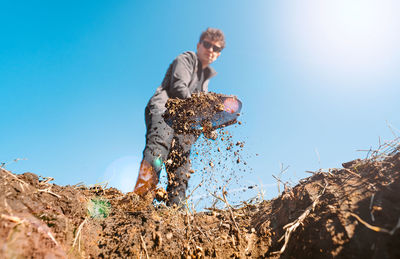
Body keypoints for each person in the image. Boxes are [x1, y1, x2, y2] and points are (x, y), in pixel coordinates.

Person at [133, 28, 225, 206]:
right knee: (158, 150)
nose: (211, 50)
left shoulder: (205, 79)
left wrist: (208, 124)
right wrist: (202, 113)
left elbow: (200, 109)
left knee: (181, 167)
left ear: (219, 54)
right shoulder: (187, 58)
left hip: (184, 124)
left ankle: (177, 212)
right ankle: (139, 203)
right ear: (199, 45)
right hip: (165, 111)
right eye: (207, 44)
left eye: (216, 48)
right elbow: (178, 87)